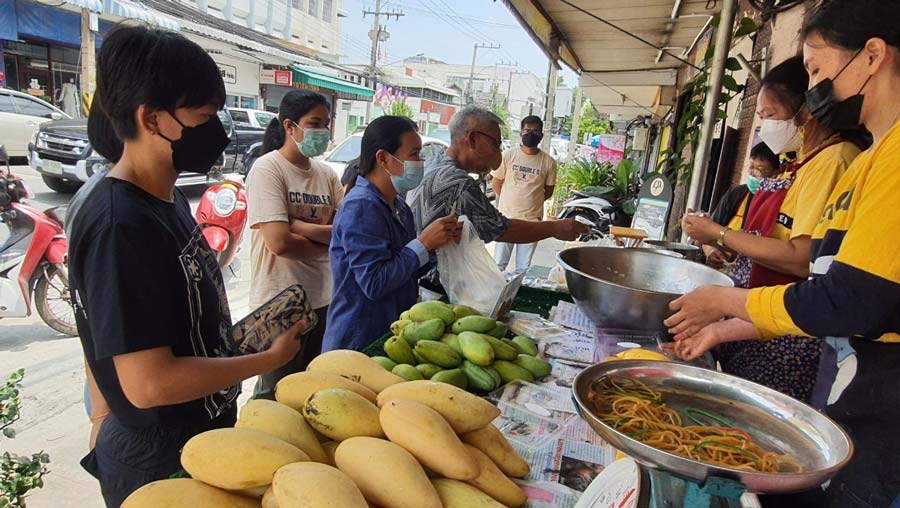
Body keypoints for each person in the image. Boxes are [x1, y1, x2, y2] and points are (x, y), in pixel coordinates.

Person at [667, 1, 900, 504]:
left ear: (873, 55)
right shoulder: (867, 163)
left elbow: (853, 298)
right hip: (844, 386)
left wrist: (729, 304)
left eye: (817, 68)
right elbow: (822, 291)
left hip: (886, 410)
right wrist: (730, 326)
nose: (815, 86)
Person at [69, 26, 304, 507]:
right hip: (160, 455)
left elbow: (110, 326)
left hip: (199, 433)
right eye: (203, 116)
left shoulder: (165, 195)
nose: (217, 130)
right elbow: (149, 383)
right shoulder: (121, 225)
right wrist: (268, 360)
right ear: (151, 119)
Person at [680, 55, 863, 403]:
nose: (762, 127)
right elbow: (762, 242)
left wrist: (718, 233)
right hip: (749, 322)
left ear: (806, 110)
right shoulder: (794, 167)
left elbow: (803, 260)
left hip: (787, 340)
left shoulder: (835, 161)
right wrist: (719, 245)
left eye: (768, 114)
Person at [409, 105, 587, 291]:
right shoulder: (459, 183)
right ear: (473, 139)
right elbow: (502, 230)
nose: (498, 151)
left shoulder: (434, 162)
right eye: (496, 144)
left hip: (418, 278)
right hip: (433, 287)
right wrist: (556, 228)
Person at [325, 116, 461, 351]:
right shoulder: (361, 206)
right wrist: (423, 244)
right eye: (414, 155)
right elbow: (374, 283)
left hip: (391, 333)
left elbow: (405, 268)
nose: (419, 162)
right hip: (359, 339)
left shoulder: (399, 206)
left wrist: (439, 244)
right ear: (383, 158)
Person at [246, 89, 343, 399]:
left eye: (326, 124)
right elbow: (279, 243)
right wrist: (327, 241)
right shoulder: (268, 169)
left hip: (323, 299)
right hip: (279, 303)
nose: (322, 132)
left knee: (311, 390)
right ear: (289, 126)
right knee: (274, 393)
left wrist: (299, 225)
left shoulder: (326, 174)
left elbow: (345, 232)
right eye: (314, 123)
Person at [491, 115, 558, 273]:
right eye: (527, 130)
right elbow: (496, 183)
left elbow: (548, 191)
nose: (531, 134)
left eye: (535, 131)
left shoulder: (548, 162)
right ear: (521, 133)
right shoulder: (508, 155)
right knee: (498, 265)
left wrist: (530, 202)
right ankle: (495, 296)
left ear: (541, 135)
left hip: (531, 222)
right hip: (505, 219)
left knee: (523, 268)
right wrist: (510, 201)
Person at [703, 142, 781, 271]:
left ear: (776, 173)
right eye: (750, 166)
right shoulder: (736, 194)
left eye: (759, 169)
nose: (752, 172)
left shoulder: (782, 202)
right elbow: (707, 233)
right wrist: (710, 250)